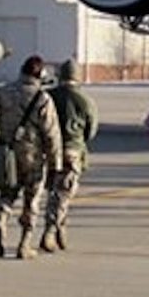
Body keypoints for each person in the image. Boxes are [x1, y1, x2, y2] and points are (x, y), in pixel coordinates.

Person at [0, 55, 63, 257]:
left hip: (7, 152)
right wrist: (56, 165)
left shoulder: (3, 92)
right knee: (31, 199)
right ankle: (24, 243)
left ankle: (0, 220)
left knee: (7, 192)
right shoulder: (42, 99)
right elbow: (51, 134)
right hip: (32, 155)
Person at [41, 59, 99, 251]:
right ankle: (50, 230)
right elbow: (91, 130)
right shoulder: (85, 101)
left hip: (48, 151)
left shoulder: (47, 97)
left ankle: (60, 227)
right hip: (72, 150)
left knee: (54, 191)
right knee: (64, 193)